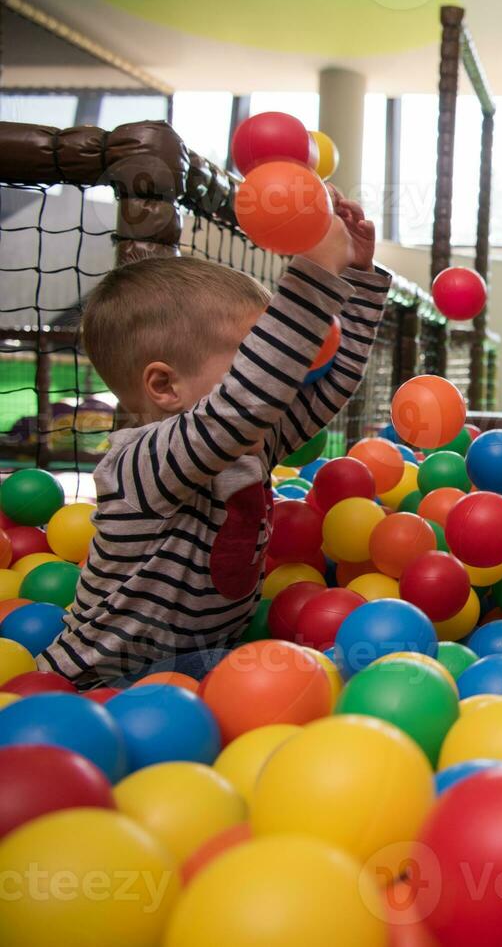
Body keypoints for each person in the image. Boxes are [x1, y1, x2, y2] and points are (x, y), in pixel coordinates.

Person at [37, 191, 387, 689]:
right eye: (248, 355)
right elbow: (246, 400)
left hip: (193, 666)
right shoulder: (141, 462)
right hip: (101, 683)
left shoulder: (248, 445)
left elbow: (328, 388)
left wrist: (357, 276)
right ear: (165, 386)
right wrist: (315, 274)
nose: (280, 373)